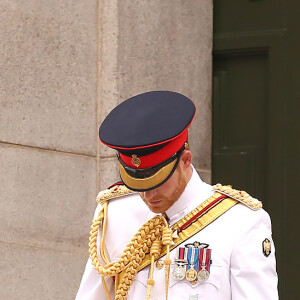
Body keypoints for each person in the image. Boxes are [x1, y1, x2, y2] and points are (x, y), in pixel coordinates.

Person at [76, 91, 278, 300]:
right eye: (138, 184)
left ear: (185, 160)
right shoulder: (116, 213)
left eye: (159, 182)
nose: (147, 195)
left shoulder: (241, 223)